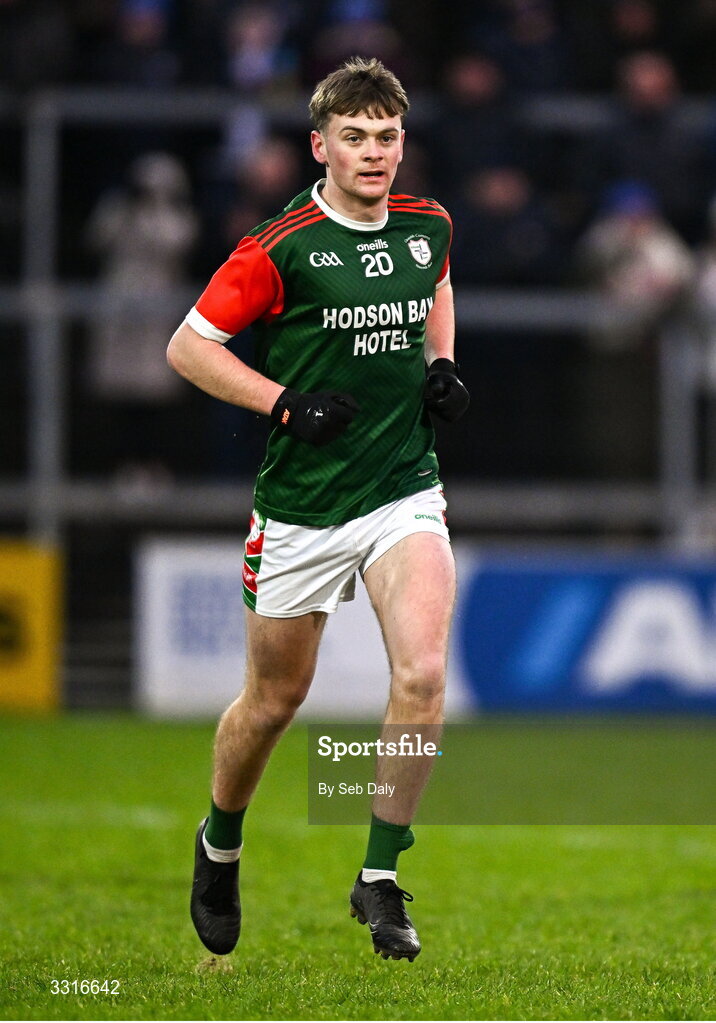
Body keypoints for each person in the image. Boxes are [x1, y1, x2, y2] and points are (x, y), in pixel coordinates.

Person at [167, 55, 469, 963]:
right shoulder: (280, 246)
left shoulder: (429, 226)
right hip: (301, 508)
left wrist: (439, 366)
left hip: (401, 490)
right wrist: (282, 403)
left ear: (401, 144)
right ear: (320, 146)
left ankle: (380, 876)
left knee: (420, 677)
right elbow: (189, 347)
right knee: (273, 701)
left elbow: (436, 283)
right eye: (355, 137)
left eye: (387, 137)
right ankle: (220, 845)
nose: (374, 152)